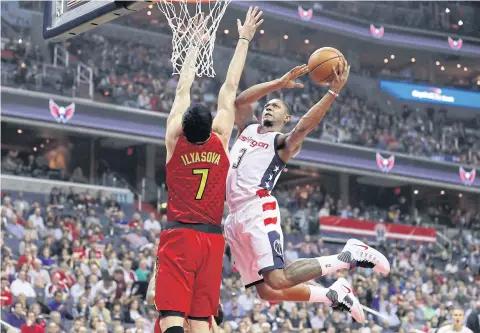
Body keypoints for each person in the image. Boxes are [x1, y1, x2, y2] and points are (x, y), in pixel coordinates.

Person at [224, 61, 390, 323]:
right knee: (267, 292)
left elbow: (304, 126)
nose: (269, 105)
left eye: (277, 106)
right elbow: (239, 101)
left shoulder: (282, 143)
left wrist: (332, 92)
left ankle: (349, 256)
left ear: (285, 119)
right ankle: (333, 294)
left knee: (277, 278)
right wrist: (278, 83)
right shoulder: (247, 129)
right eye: (268, 104)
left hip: (257, 209)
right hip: (233, 217)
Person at [152, 7, 264, 333]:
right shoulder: (221, 138)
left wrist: (193, 46)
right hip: (213, 240)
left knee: (172, 319)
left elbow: (181, 90)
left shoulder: (175, 139)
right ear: (211, 126)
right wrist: (244, 39)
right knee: (202, 323)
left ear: (183, 125)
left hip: (180, 236)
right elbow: (230, 88)